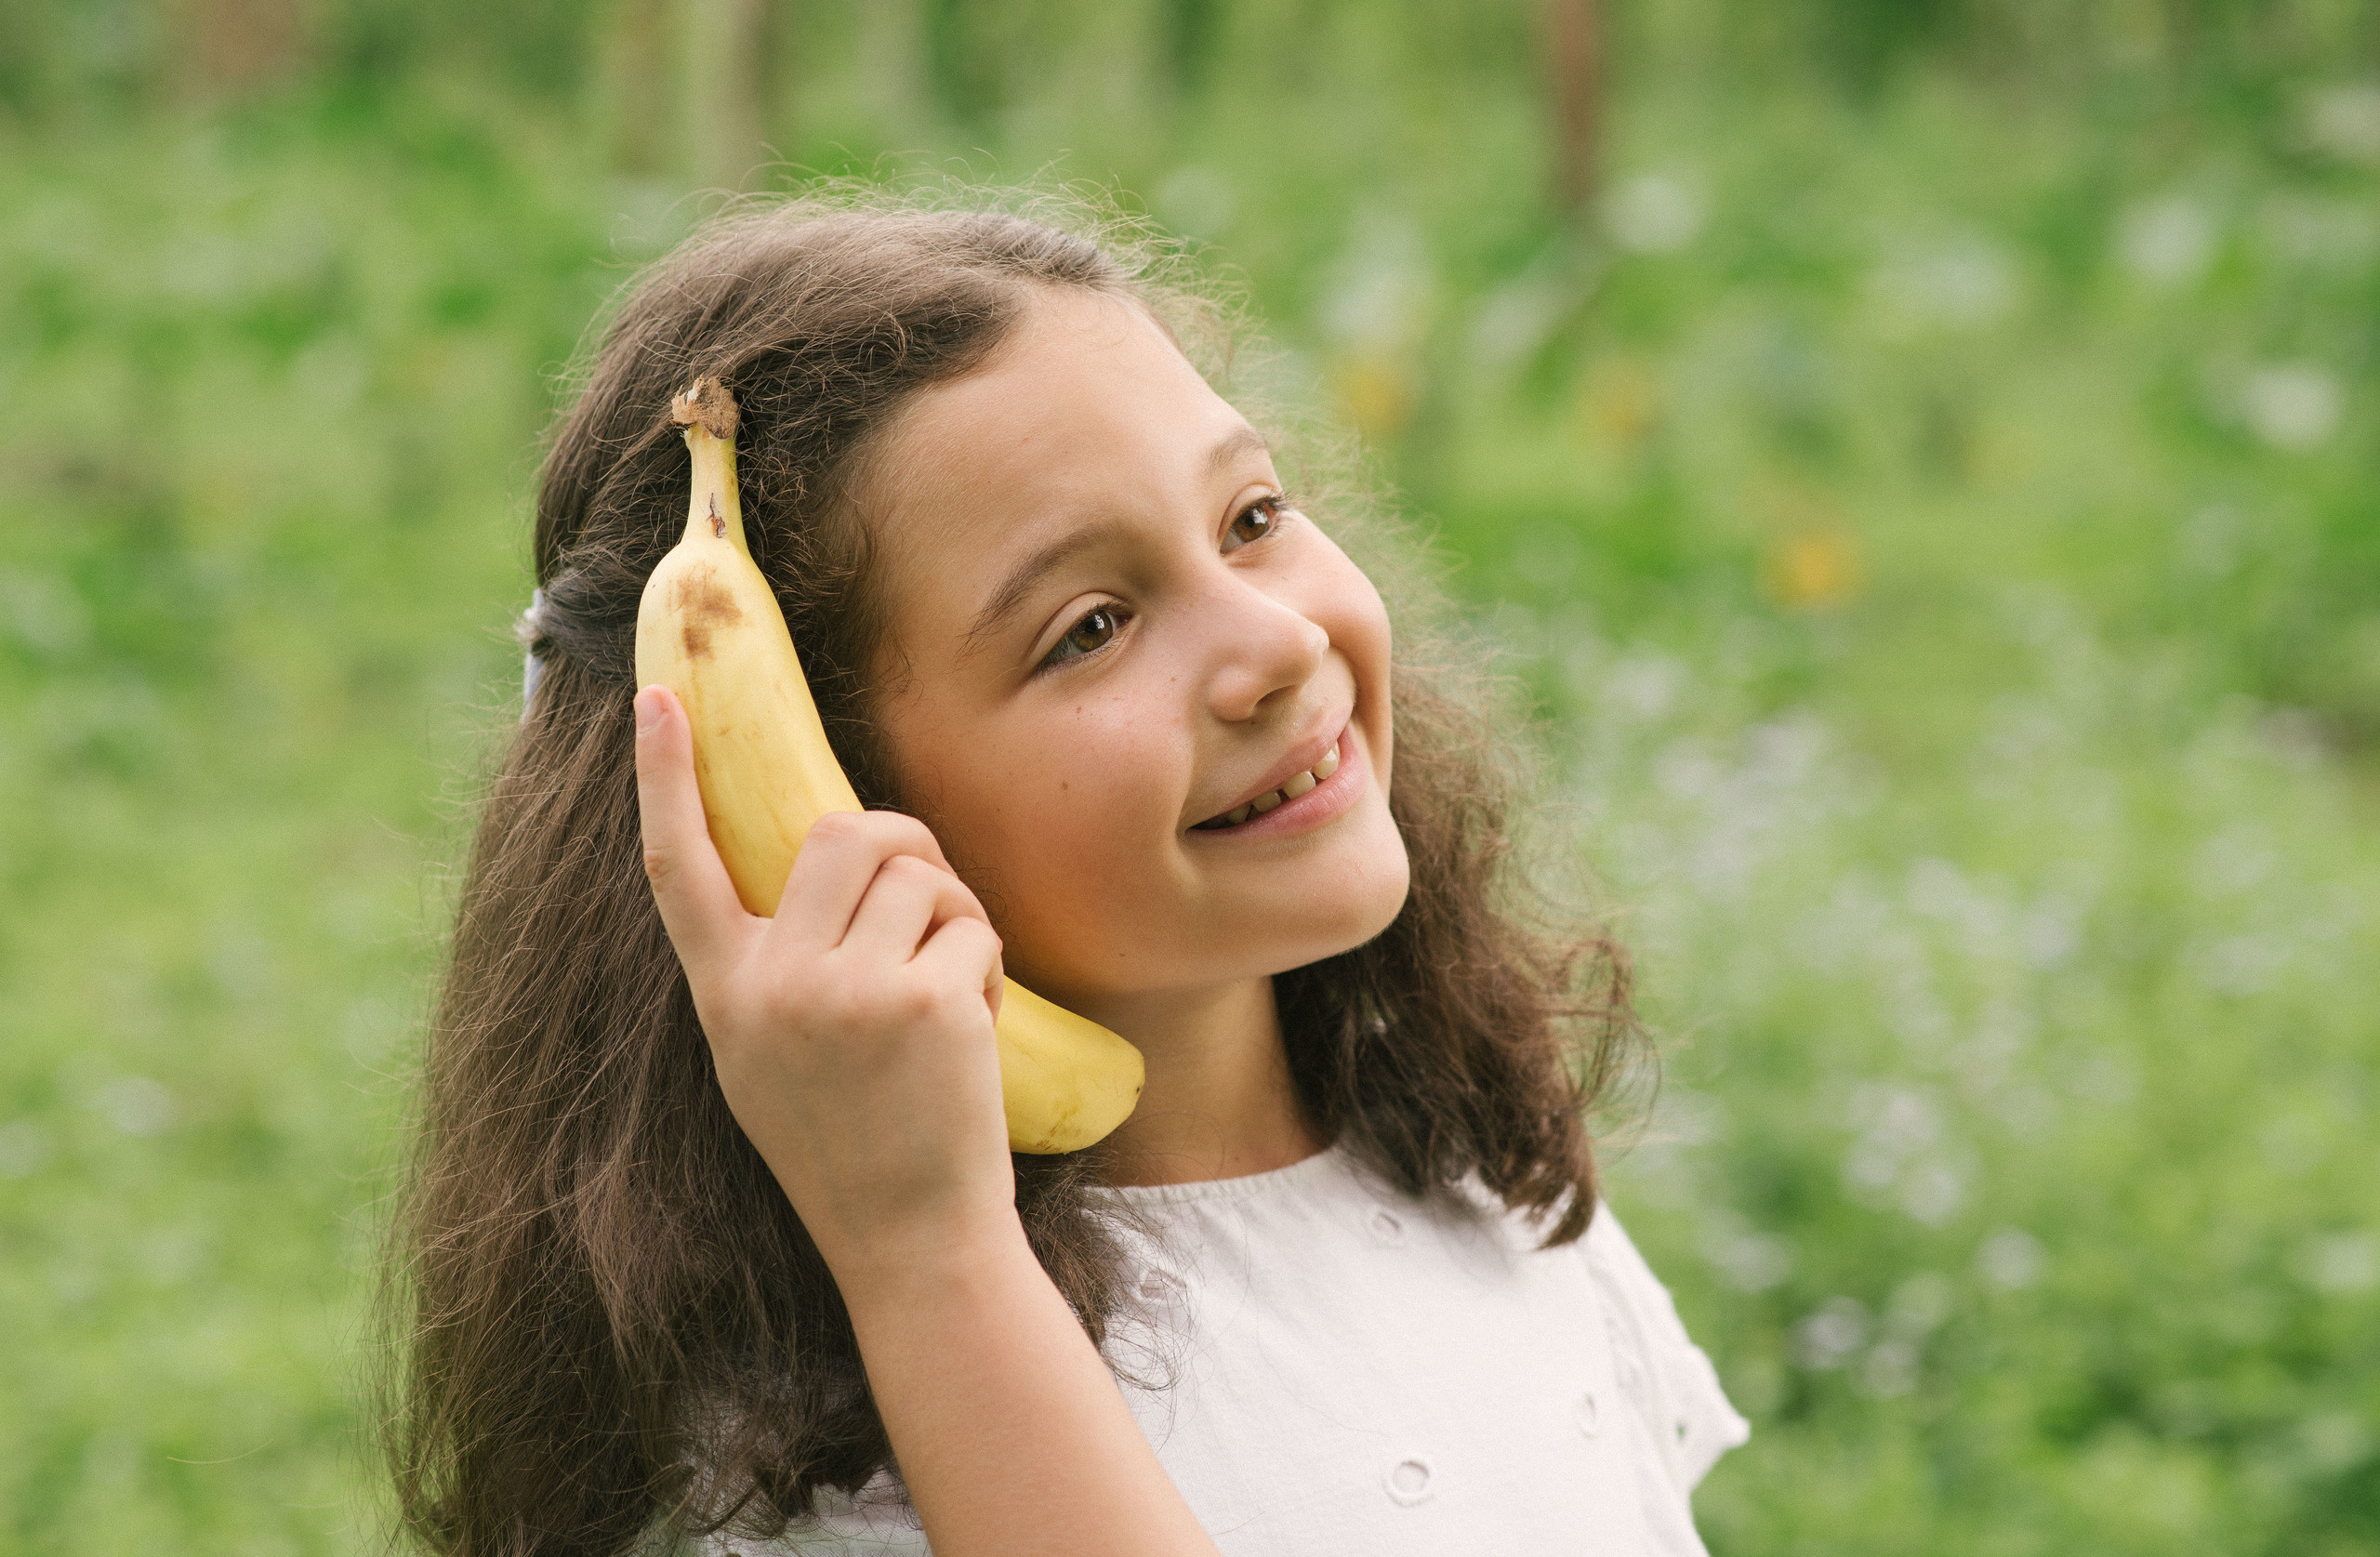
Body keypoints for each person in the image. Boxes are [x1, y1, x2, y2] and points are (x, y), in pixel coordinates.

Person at [388, 189, 1747, 1557]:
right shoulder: (838, 1454)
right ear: (805, 804)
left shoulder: (1455, 1161)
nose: (1272, 641)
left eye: (1253, 515)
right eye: (1091, 626)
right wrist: (931, 1261)